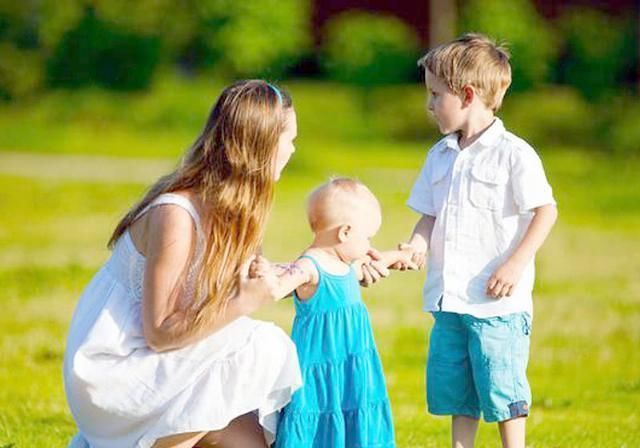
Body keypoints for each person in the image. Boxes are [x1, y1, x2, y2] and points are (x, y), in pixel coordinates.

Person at [63, 80, 306, 448]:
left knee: (250, 440)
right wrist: (244, 302)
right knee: (262, 342)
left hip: (158, 367)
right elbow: (160, 333)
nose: (292, 150)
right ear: (262, 146)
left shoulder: (233, 215)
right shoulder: (176, 214)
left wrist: (328, 267)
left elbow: (244, 289)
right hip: (116, 374)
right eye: (289, 140)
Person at [400, 34, 558, 448]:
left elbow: (546, 211)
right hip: (448, 299)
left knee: (501, 384)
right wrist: (417, 245)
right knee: (457, 387)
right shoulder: (439, 155)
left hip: (496, 303)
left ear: (467, 94)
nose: (429, 104)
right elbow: (428, 215)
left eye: (436, 95)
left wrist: (515, 264)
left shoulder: (513, 154)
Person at [248, 178, 417, 448]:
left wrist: (397, 257)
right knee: (319, 420)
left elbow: (371, 263)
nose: (370, 245)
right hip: (319, 367)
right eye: (368, 236)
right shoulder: (310, 266)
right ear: (345, 233)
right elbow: (278, 287)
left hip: (352, 363)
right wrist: (266, 273)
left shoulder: (345, 263)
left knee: (355, 410)